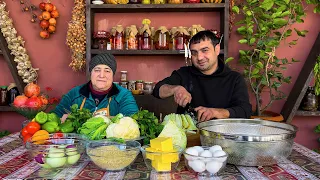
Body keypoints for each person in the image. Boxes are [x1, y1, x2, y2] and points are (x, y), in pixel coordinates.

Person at [152, 30, 252, 122]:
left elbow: (244, 111)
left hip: (221, 135)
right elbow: (157, 90)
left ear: (216, 49)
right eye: (194, 53)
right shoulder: (184, 74)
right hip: (189, 134)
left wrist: (215, 112)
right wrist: (176, 89)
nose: (199, 57)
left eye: (204, 50)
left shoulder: (234, 79)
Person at [54, 53, 139, 118]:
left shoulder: (123, 95)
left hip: (112, 141)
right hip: (80, 141)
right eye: (97, 70)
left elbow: (133, 120)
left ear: (112, 75)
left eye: (107, 71)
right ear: (91, 73)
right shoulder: (75, 93)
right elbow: (54, 117)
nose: (102, 75)